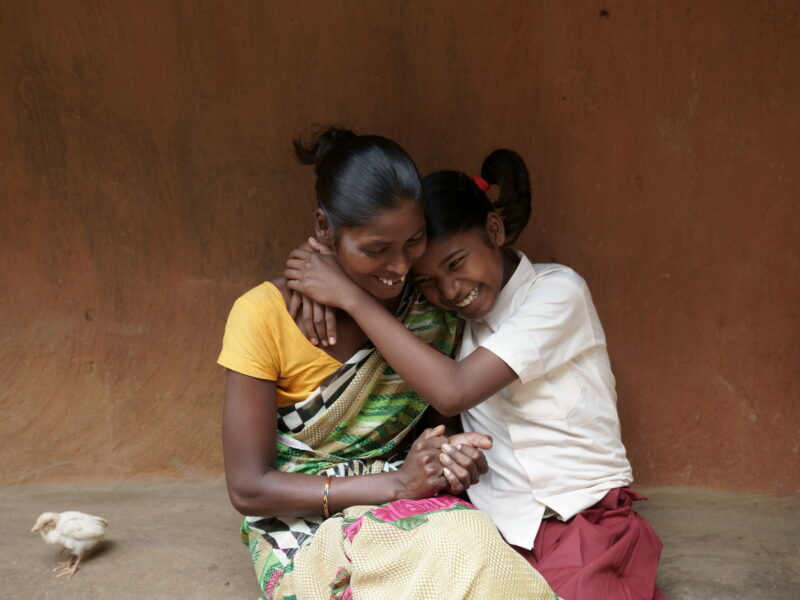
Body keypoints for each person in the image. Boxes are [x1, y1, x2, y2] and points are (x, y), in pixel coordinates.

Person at [285, 149, 665, 600]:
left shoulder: (557, 292)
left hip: (582, 515)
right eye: (425, 282)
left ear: (494, 230)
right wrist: (316, 276)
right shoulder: (448, 322)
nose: (450, 291)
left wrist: (346, 295)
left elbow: (454, 390)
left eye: (456, 263)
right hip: (496, 530)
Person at [218, 129, 557, 600]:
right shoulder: (263, 315)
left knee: (473, 549)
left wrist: (449, 458)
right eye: (376, 250)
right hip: (303, 530)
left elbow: (438, 430)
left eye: (414, 242)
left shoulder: (429, 308)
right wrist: (395, 484)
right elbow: (249, 489)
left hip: (416, 508)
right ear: (323, 228)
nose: (400, 268)